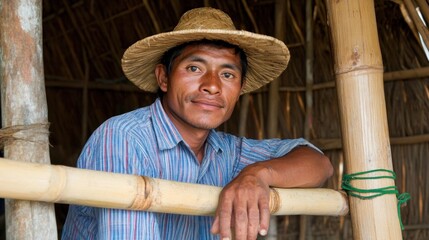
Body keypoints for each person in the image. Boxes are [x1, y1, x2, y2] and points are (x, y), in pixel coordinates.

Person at [62, 7, 333, 240]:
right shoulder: (123, 138)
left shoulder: (227, 152)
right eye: (194, 68)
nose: (212, 86)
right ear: (164, 78)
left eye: (227, 74)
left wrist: (257, 175)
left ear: (238, 90)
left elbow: (319, 164)